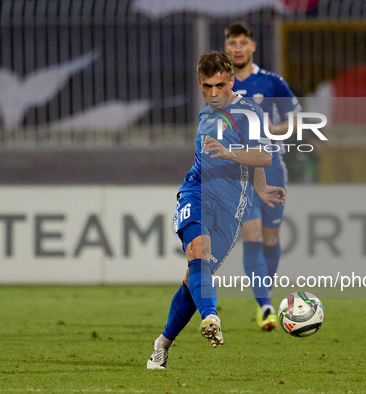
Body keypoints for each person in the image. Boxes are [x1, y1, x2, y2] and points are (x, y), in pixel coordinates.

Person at [147, 51, 286, 369]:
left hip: (230, 212)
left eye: (220, 86)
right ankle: (211, 317)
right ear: (200, 83)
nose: (214, 94)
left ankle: (162, 343)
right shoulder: (207, 114)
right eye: (207, 87)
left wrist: (258, 185)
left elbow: (262, 156)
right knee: (198, 251)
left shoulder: (249, 113)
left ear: (232, 80)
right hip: (196, 195)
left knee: (192, 279)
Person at [224, 21, 303, 331]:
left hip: (271, 166)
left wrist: (269, 129)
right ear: (226, 47)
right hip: (238, 170)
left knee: (271, 238)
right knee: (253, 235)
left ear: (252, 46)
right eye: (232, 43)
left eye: (243, 42)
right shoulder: (222, 85)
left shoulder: (272, 82)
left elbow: (296, 121)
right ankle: (266, 307)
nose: (238, 48)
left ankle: (264, 294)